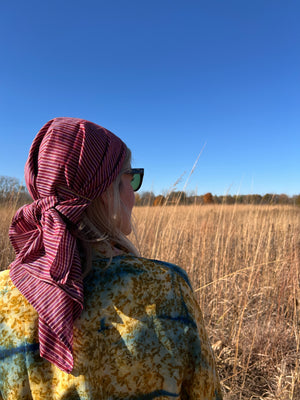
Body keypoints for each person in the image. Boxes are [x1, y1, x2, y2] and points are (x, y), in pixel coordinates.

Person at [0, 117, 223, 399]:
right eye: (132, 178)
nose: (134, 194)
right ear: (106, 191)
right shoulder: (166, 289)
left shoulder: (4, 295)